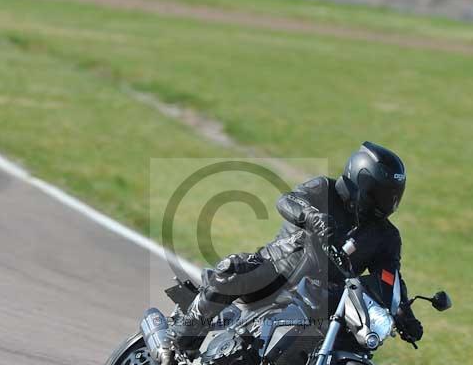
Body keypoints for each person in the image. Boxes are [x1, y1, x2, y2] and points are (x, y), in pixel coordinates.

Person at [170, 141, 423, 350]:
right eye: (379, 193)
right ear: (360, 179)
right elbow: (287, 200)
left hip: (319, 295)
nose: (386, 202)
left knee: (345, 336)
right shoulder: (325, 189)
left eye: (392, 195)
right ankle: (189, 327)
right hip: (277, 270)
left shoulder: (386, 236)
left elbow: (390, 278)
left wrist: (403, 315)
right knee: (234, 269)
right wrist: (311, 216)